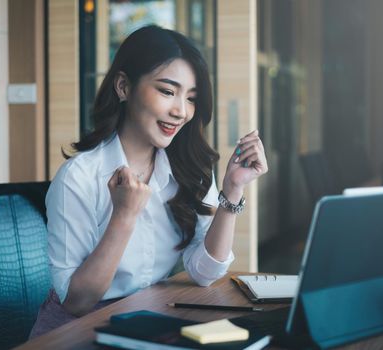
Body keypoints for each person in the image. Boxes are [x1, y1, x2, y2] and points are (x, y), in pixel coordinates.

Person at [29, 25, 268, 338]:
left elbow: (205, 273)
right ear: (124, 87)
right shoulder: (78, 177)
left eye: (191, 98)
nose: (181, 111)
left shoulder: (189, 168)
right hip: (75, 333)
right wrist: (124, 216)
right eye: (167, 91)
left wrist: (233, 189)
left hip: (145, 320)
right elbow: (78, 302)